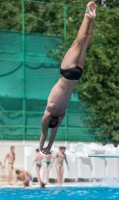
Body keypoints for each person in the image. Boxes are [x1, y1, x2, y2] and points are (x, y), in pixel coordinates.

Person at [40, 1, 97, 155]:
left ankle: (91, 17)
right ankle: (87, 15)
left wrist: (48, 147)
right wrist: (41, 146)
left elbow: (53, 131)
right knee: (77, 43)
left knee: (85, 44)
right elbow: (45, 132)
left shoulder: (61, 112)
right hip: (66, 73)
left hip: (77, 74)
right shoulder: (50, 109)